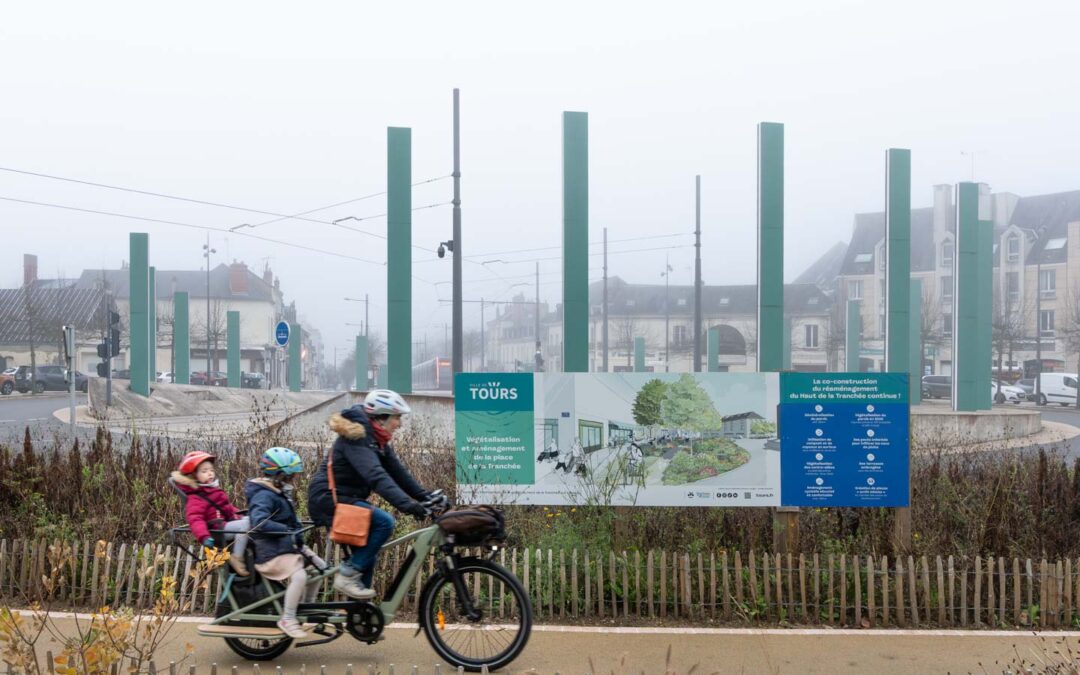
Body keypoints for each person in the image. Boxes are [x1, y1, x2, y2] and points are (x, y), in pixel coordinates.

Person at [307, 390, 432, 601]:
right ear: (382, 417)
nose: (399, 424)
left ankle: (359, 614)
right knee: (384, 522)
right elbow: (376, 476)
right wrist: (407, 505)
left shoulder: (376, 440)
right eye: (397, 417)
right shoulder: (356, 437)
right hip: (329, 499)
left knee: (366, 555)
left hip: (346, 498)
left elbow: (398, 473)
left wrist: (426, 497)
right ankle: (346, 576)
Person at [246, 447, 327, 639]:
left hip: (284, 547)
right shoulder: (264, 495)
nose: (294, 480)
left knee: (319, 569)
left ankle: (308, 605)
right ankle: (287, 618)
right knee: (299, 576)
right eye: (291, 476)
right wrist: (287, 530)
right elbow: (259, 522)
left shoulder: (277, 491)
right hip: (270, 552)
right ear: (279, 475)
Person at [172, 451, 249, 576]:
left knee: (250, 520)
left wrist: (240, 515)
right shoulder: (196, 498)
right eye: (204, 471)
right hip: (219, 530)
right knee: (246, 525)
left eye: (211, 470)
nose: (210, 473)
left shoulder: (212, 491)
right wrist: (204, 537)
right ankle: (237, 557)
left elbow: (226, 508)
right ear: (193, 476)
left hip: (225, 524)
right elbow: (195, 519)